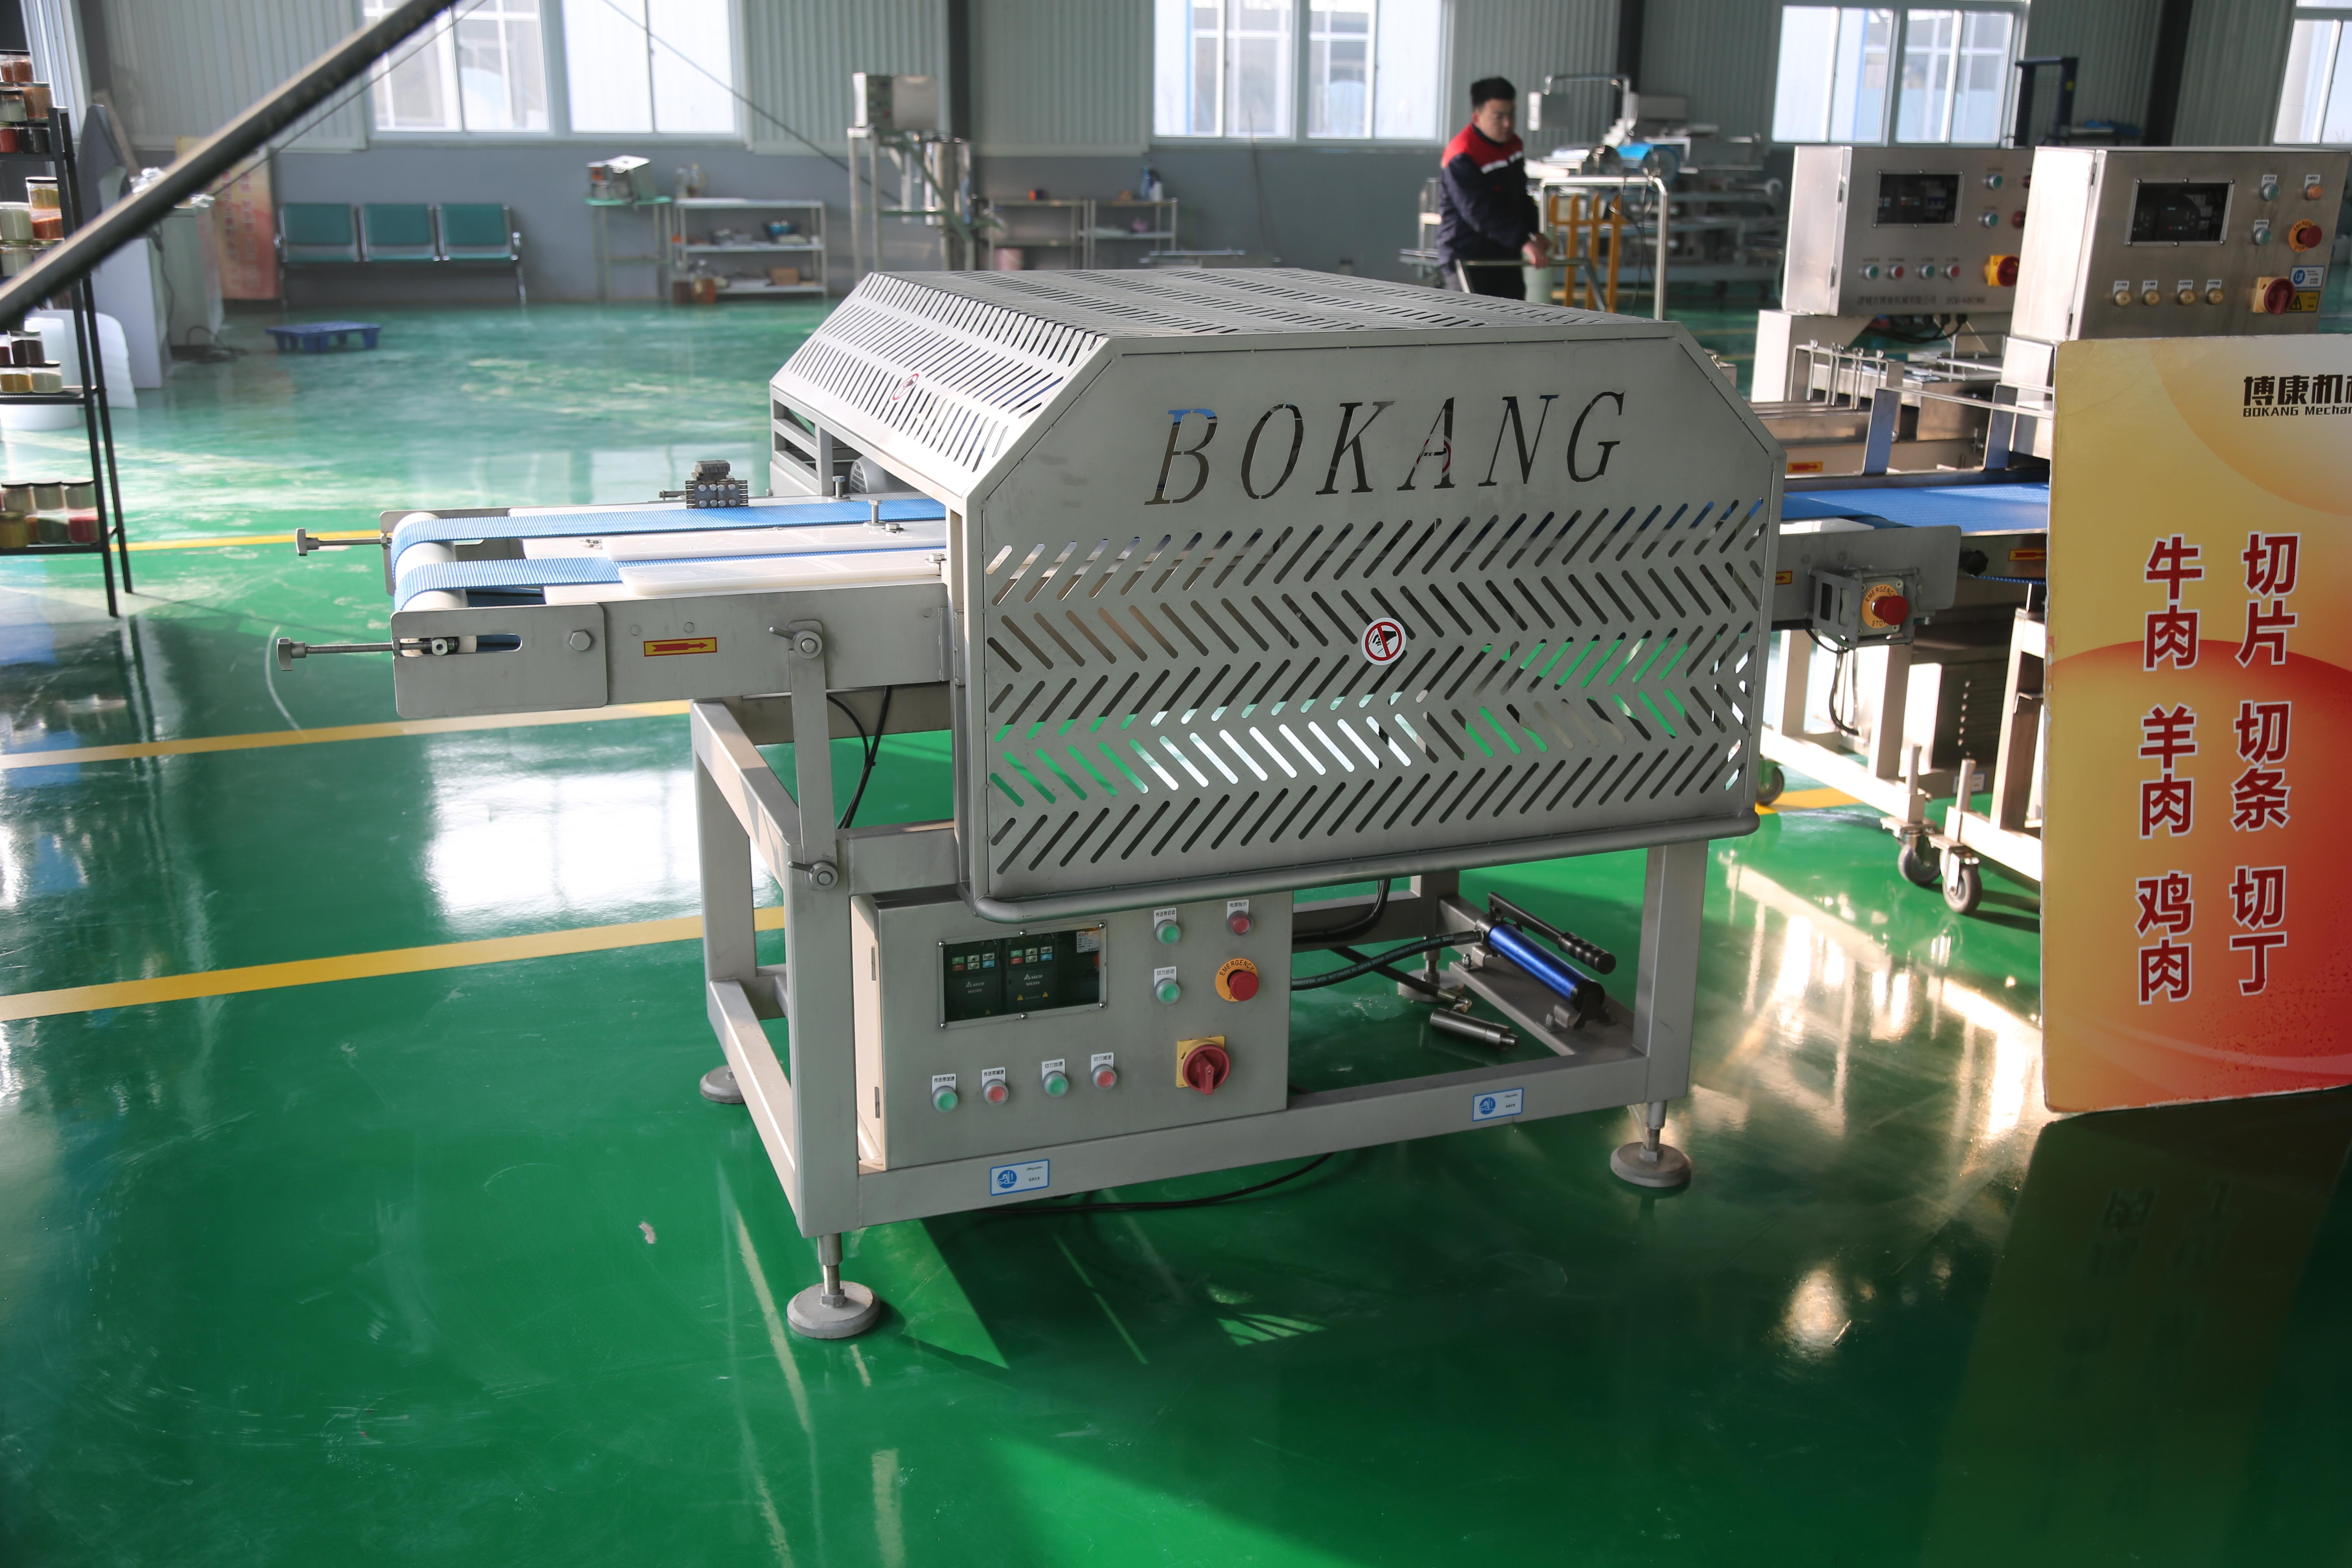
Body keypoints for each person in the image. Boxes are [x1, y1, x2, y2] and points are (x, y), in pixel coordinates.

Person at [1435, 76, 1548, 299]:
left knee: (1514, 315)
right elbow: (1479, 211)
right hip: (1468, 257)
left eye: (1512, 115)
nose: (1507, 124)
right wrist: (1524, 241)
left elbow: (1520, 194)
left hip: (1504, 253)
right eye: (1499, 117)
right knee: (1472, 318)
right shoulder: (1463, 155)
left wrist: (1535, 231)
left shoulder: (1512, 145)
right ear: (1477, 118)